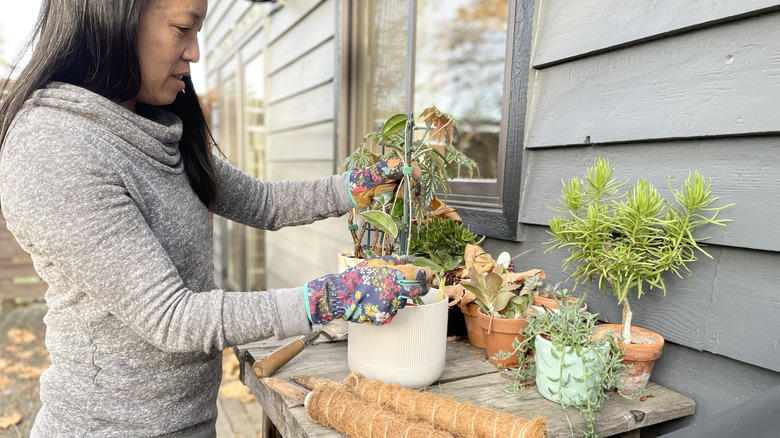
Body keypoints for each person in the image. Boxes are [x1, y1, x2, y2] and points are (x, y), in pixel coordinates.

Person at [0, 0, 430, 436]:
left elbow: (264, 203)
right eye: (184, 28)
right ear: (114, 17)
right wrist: (324, 300)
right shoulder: (53, 148)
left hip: (191, 420)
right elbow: (172, 317)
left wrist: (356, 187)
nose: (195, 53)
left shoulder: (157, 125)